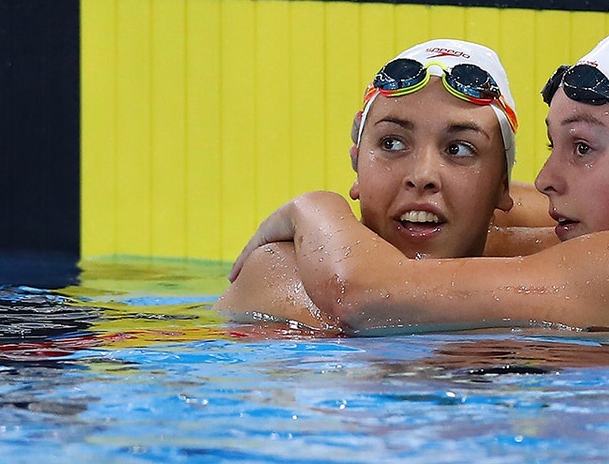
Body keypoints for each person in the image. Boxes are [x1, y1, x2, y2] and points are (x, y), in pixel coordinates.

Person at [229, 15, 609, 333]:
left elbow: (363, 294)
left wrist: (315, 206)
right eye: (552, 146)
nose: (546, 181)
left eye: (582, 149)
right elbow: (491, 203)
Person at [215, 38, 551, 329]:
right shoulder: (284, 275)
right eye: (392, 144)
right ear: (357, 164)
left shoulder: (545, 263)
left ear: (502, 187)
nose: (422, 176)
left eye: (458, 149)